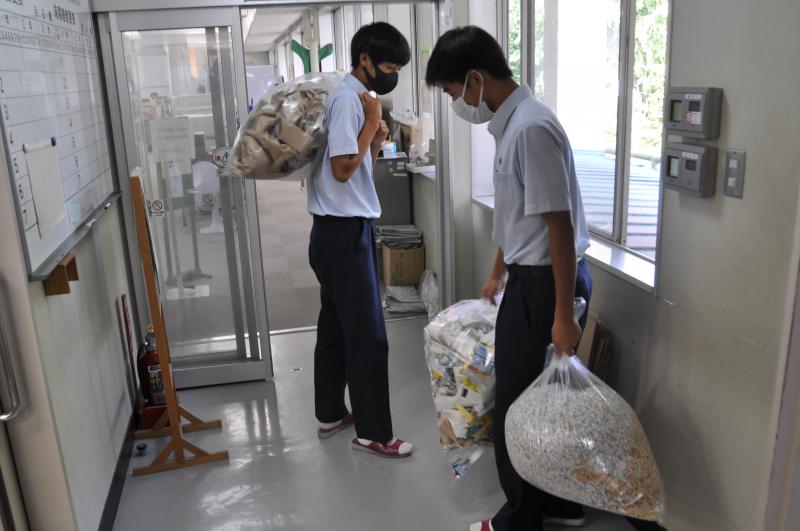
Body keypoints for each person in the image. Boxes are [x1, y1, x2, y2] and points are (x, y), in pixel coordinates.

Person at [426, 26, 592, 531]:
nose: (457, 103)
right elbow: (519, 213)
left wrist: (562, 316)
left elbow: (559, 226)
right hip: (529, 279)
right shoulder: (511, 126)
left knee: (515, 410)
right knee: (538, 404)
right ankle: (557, 505)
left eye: (454, 92)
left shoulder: (530, 129)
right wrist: (498, 273)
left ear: (475, 79)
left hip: (546, 285)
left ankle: (520, 520)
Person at [306, 22, 414, 459]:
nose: (393, 74)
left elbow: (358, 171)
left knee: (335, 327)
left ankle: (330, 413)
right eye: (389, 66)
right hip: (344, 235)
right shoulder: (350, 100)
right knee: (368, 336)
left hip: (334, 232)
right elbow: (341, 170)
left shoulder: (353, 99)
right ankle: (374, 433)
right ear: (364, 59)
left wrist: (376, 139)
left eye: (398, 68)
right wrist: (371, 123)